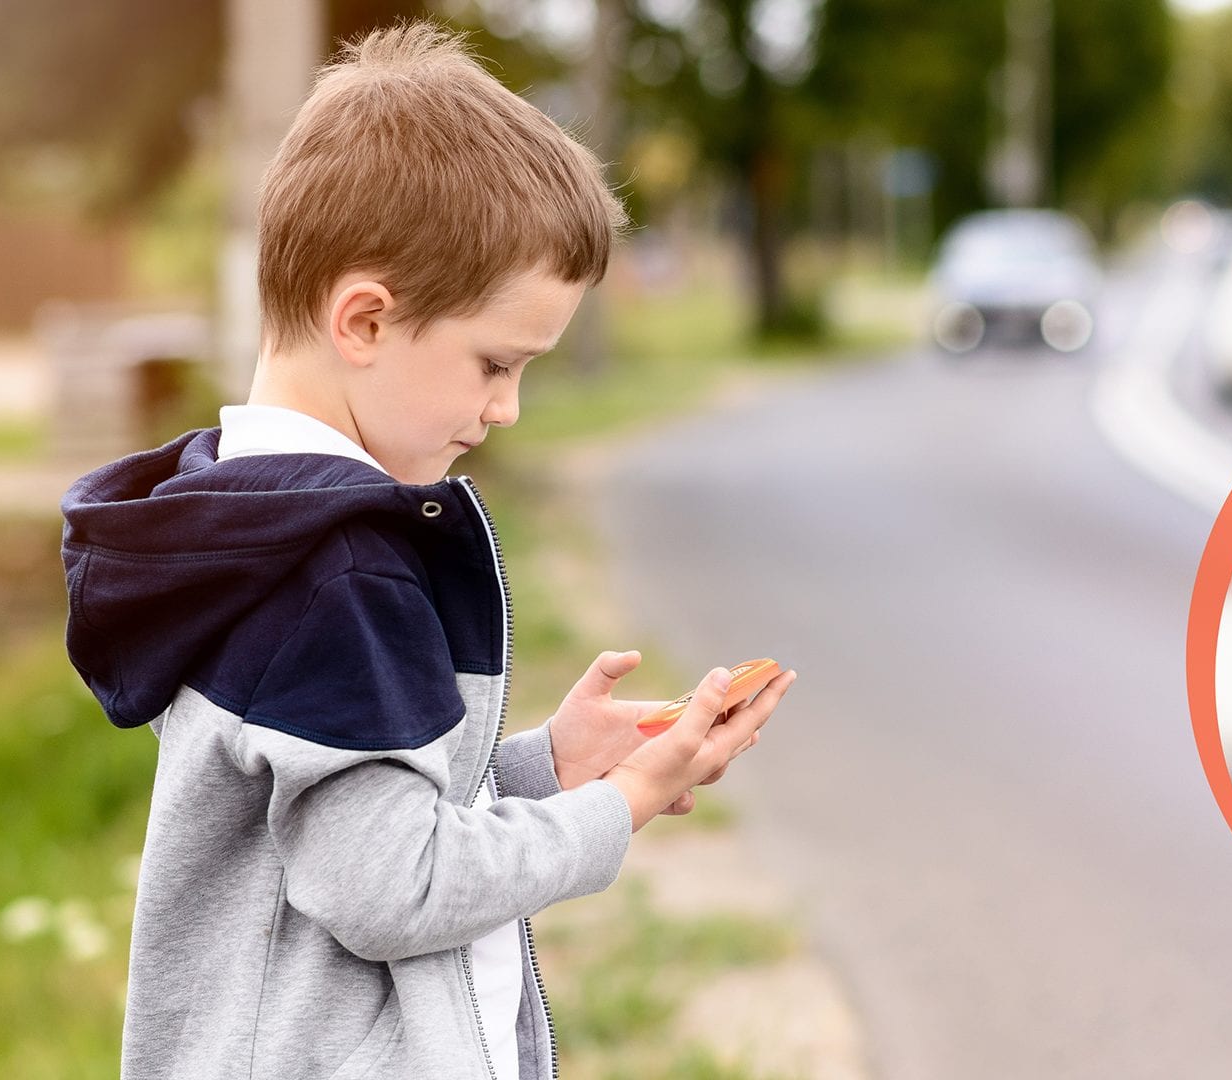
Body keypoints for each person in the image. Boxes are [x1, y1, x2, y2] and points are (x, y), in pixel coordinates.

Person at [59, 22, 796, 1078]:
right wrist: (620, 805)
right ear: (363, 321)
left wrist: (547, 769)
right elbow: (392, 888)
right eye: (496, 363)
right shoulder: (331, 569)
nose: (506, 409)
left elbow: (345, 820)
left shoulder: (244, 521)